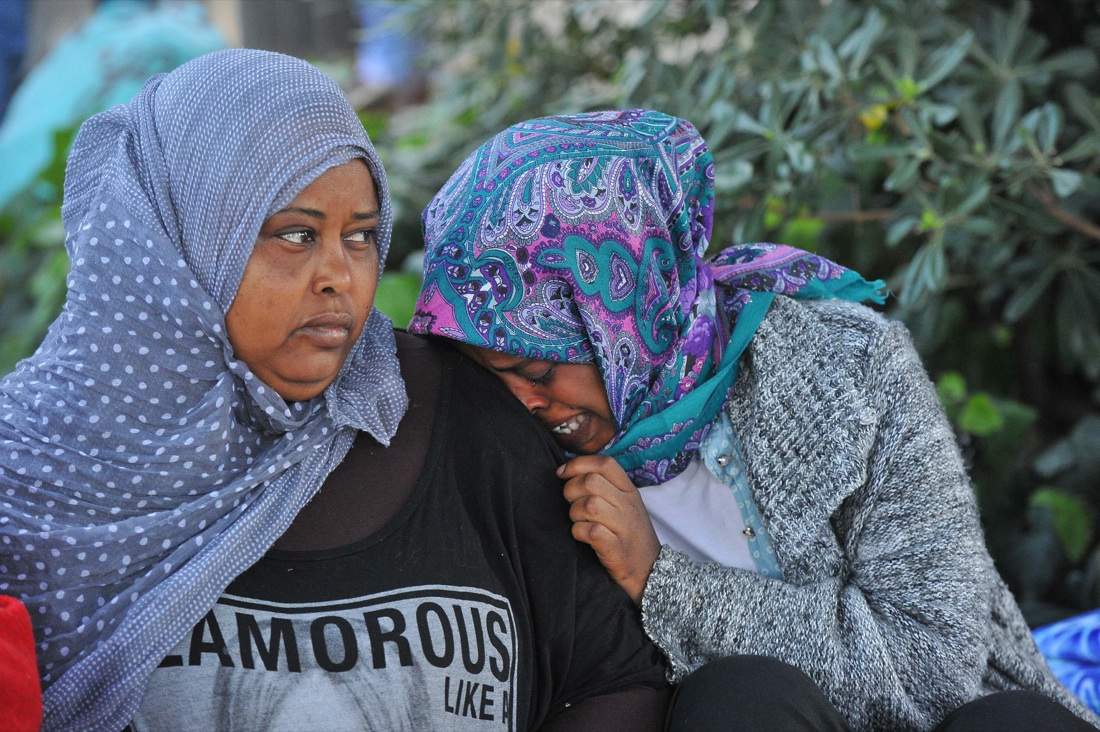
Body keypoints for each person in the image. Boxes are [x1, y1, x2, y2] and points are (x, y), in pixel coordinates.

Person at [0, 52, 670, 732]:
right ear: (179, 238)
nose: (338, 277)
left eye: (359, 237)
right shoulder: (31, 476)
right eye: (296, 235)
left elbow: (609, 680)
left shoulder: (459, 418)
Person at [409, 109, 1100, 731]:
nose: (524, 405)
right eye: (490, 376)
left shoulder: (850, 370)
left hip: (956, 722)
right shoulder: (519, 458)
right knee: (739, 703)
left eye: (537, 370)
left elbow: (932, 669)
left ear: (623, 316)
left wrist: (662, 581)